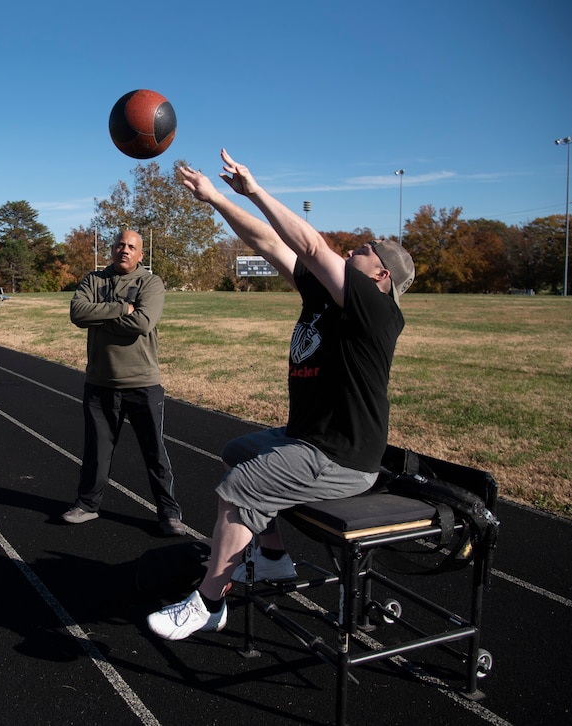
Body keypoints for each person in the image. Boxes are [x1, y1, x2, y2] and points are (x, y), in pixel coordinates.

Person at [147, 150, 414, 640]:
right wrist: (213, 199)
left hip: (341, 457)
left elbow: (310, 245)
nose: (352, 250)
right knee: (236, 453)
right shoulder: (327, 296)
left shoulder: (376, 310)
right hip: (308, 439)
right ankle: (273, 558)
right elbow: (270, 242)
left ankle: (209, 603)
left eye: (364, 251)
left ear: (382, 277)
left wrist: (255, 190)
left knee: (242, 485)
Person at [62, 229, 187, 537]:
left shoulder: (150, 283)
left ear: (140, 254)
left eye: (132, 246)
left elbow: (143, 323)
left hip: (142, 383)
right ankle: (87, 505)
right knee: (96, 451)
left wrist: (100, 317)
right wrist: (122, 308)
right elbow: (78, 312)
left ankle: (169, 514)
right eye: (120, 245)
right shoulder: (94, 280)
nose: (125, 250)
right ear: (113, 248)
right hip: (100, 384)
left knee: (155, 453)